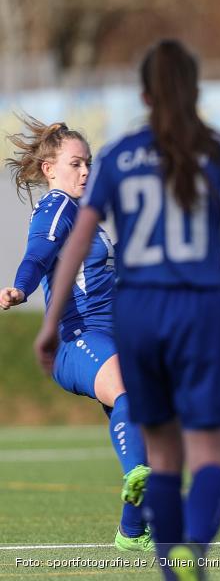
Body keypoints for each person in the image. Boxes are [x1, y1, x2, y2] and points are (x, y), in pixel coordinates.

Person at [34, 39, 220, 580]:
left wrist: (48, 324)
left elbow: (76, 242)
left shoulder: (121, 155)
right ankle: (190, 548)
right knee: (209, 453)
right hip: (202, 314)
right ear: (196, 90)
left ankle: (157, 552)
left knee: (162, 452)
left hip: (141, 315)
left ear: (144, 94)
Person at [1, 116, 153, 552]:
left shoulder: (86, 215)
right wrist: (19, 287)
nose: (86, 172)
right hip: (79, 340)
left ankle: (131, 532)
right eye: (76, 163)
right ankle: (135, 477)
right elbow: (38, 253)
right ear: (50, 169)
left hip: (113, 338)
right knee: (133, 398)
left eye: (89, 163)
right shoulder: (58, 207)